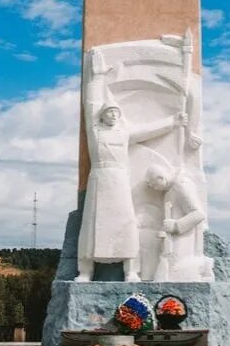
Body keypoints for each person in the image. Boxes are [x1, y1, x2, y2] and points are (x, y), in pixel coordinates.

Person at [76, 49, 187, 283]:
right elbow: (91, 103)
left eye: (116, 112)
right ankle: (86, 271)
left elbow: (149, 130)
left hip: (119, 182)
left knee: (126, 224)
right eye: (109, 112)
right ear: (103, 115)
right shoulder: (94, 131)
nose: (113, 115)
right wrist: (96, 78)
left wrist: (173, 122)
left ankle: (131, 271)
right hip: (99, 180)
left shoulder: (124, 132)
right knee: (92, 227)